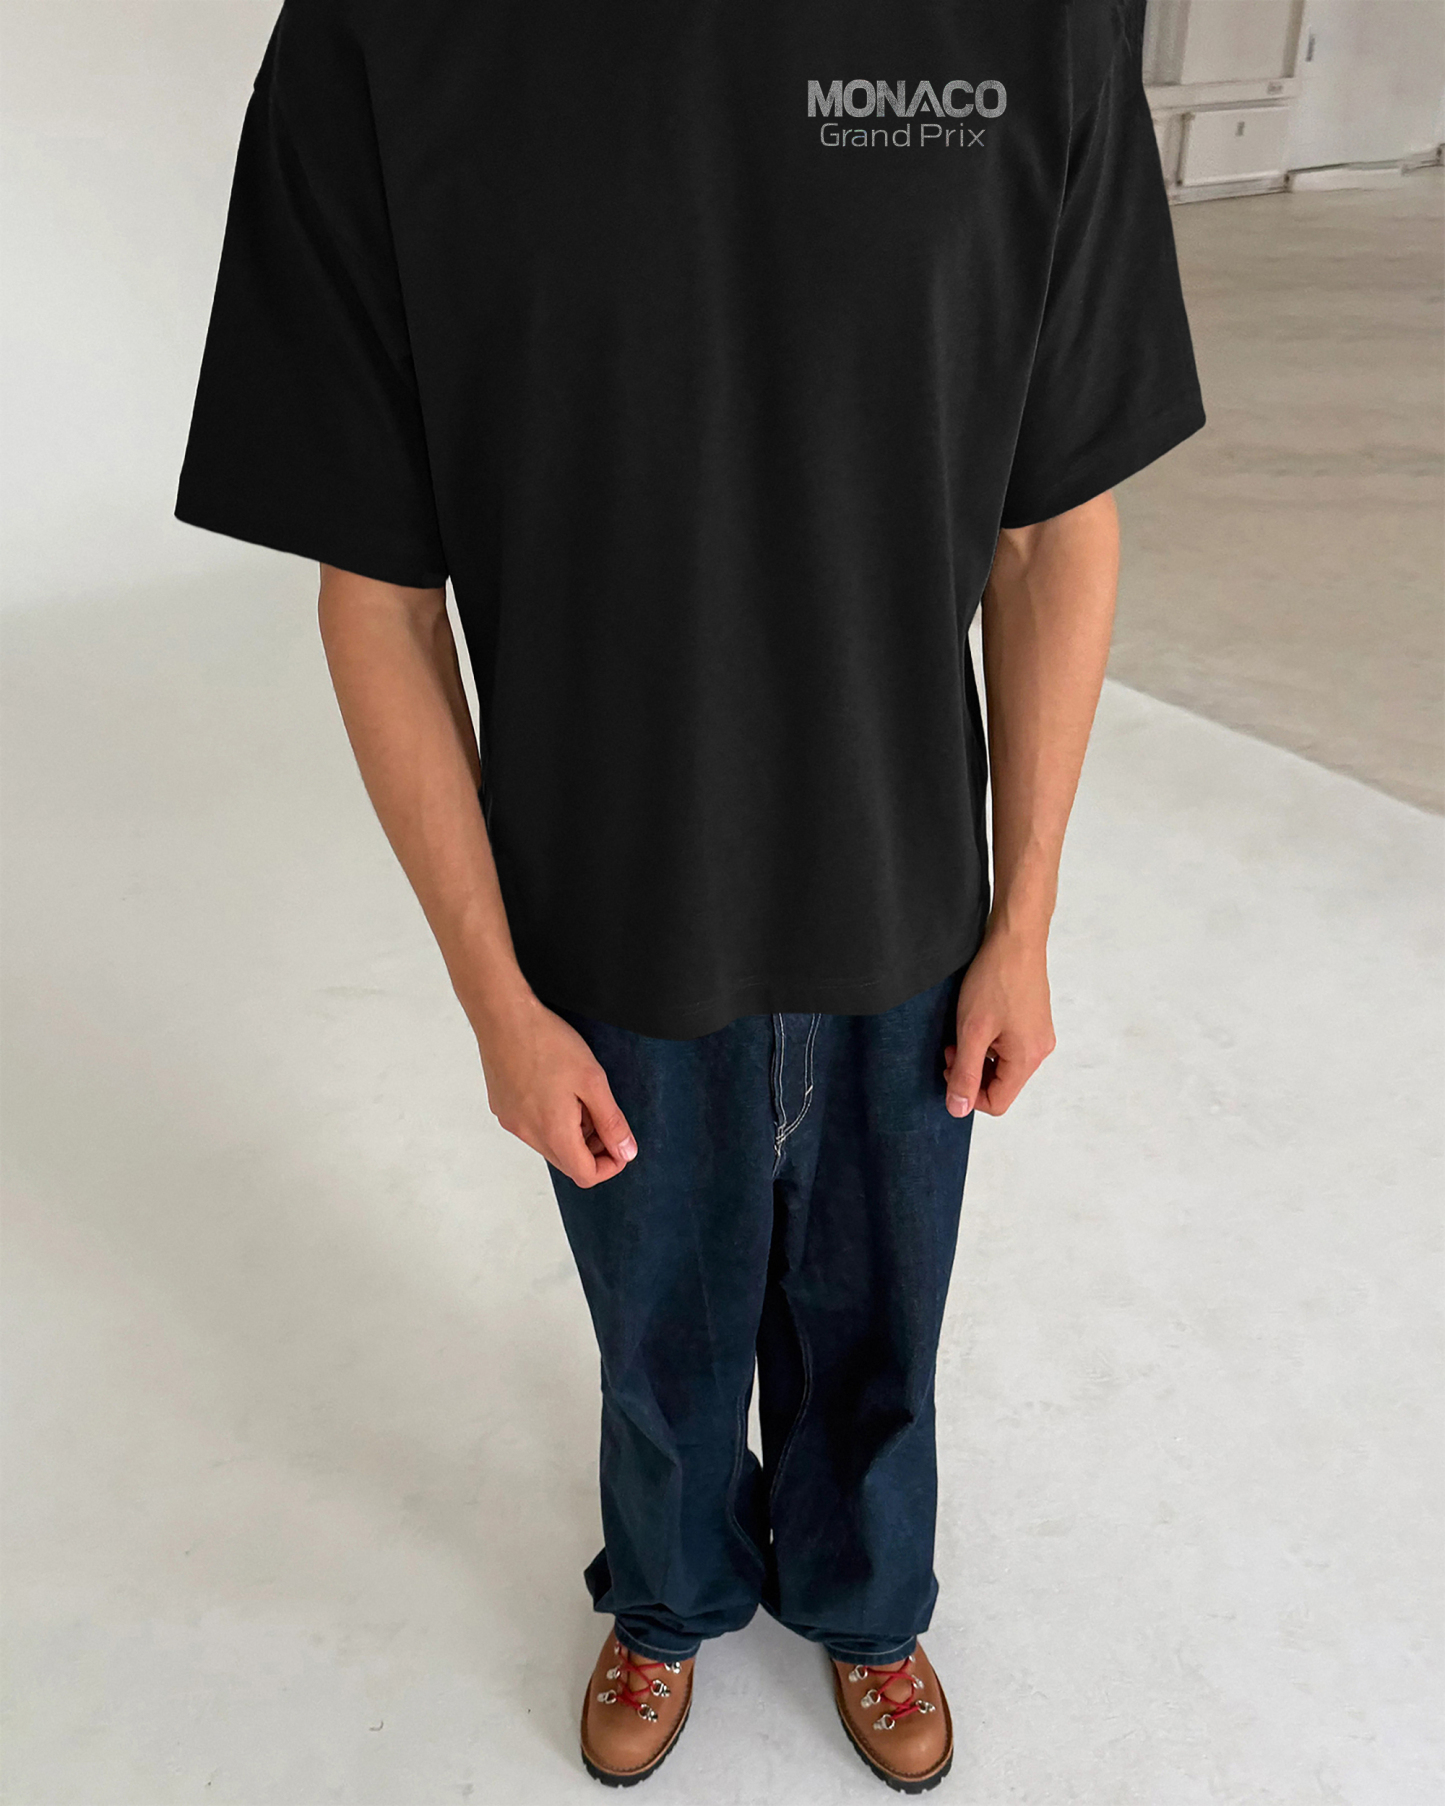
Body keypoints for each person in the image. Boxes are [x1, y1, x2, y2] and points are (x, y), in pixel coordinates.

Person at [175, 0, 1203, 1789]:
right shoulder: (381, 39)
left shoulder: (1041, 22)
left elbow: (1052, 517)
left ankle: (865, 1605)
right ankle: (667, 1592)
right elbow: (380, 591)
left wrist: (1023, 918)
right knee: (657, 1332)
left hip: (904, 884)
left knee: (884, 1317)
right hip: (607, 901)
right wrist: (495, 995)